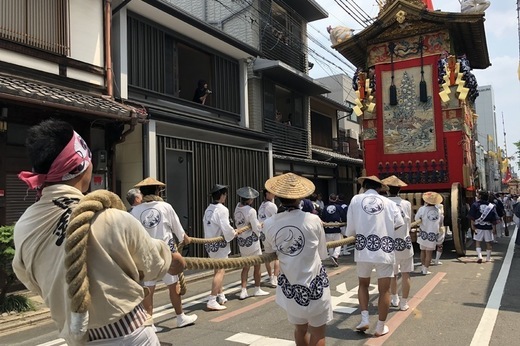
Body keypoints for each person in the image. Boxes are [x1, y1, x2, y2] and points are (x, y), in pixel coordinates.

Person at [12, 119, 185, 345]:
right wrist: (173, 260)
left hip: (77, 337)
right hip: (129, 335)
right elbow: (152, 264)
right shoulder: (112, 218)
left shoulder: (24, 225)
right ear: (81, 166)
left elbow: (30, 280)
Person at [263, 173, 332, 346]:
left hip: (291, 287)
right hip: (315, 284)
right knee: (318, 332)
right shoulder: (313, 219)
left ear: (277, 197)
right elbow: (323, 253)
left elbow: (269, 250)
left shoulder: (269, 224)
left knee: (300, 329)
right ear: (300, 197)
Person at [130, 177, 197, 330]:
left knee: (149, 288)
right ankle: (180, 317)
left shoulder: (135, 210)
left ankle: (149, 322)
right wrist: (184, 238)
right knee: (173, 285)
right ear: (158, 190)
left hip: (146, 254)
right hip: (167, 253)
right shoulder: (165, 207)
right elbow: (177, 228)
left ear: (142, 192)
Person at [343, 175, 404, 337]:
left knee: (363, 284)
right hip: (384, 249)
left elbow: (350, 229)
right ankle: (380, 326)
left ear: (364, 186)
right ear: (379, 188)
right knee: (384, 290)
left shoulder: (356, 200)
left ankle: (364, 318)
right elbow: (399, 224)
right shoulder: (390, 203)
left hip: (363, 249)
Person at [203, 184, 238, 310]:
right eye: (225, 194)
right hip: (219, 244)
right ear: (222, 195)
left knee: (217, 270)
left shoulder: (208, 209)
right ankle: (212, 299)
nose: (226, 196)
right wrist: (234, 233)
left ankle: (221, 295)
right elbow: (226, 227)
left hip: (210, 244)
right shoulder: (222, 209)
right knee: (220, 271)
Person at [381, 175, 413, 311]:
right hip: (404, 242)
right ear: (399, 190)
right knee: (406, 274)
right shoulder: (406, 204)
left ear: (387, 190)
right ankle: (404, 302)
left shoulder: (384, 203)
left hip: (390, 243)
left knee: (393, 274)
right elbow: (409, 223)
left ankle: (394, 298)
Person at [234, 187, 270, 299]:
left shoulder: (237, 208)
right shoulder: (251, 211)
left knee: (245, 267)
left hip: (242, 241)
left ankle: (243, 290)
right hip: (252, 242)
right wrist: (261, 228)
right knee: (257, 265)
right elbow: (256, 228)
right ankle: (257, 288)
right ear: (249, 200)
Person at [415, 191, 444, 275]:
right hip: (432, 233)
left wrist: (421, 223)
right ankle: (425, 269)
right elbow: (440, 222)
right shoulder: (438, 210)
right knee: (429, 253)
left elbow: (417, 219)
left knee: (422, 251)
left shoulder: (422, 209)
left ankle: (423, 267)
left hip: (423, 232)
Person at [468, 191, 500, 263]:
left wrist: (472, 225)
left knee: (478, 242)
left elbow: (472, 217)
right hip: (488, 226)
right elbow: (494, 218)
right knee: (488, 243)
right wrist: (494, 228)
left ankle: (480, 256)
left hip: (478, 226)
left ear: (480, 196)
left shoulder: (475, 205)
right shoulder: (491, 206)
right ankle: (488, 258)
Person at [258, 188, 280, 287]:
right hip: (272, 232)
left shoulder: (261, 206)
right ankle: (275, 278)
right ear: (267, 193)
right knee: (276, 256)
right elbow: (277, 219)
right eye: (272, 192)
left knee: (267, 256)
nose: (274, 194)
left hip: (263, 234)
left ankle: (271, 276)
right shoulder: (272, 206)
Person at [320, 193, 346, 267]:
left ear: (329, 199)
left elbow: (323, 218)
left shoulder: (325, 207)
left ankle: (333, 257)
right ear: (336, 199)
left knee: (330, 245)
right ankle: (335, 256)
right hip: (336, 227)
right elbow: (343, 216)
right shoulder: (338, 207)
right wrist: (343, 222)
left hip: (327, 227)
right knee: (339, 243)